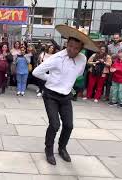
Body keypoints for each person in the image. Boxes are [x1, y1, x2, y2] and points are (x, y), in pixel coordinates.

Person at [32, 24, 99, 166]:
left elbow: (78, 73)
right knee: (55, 124)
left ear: (80, 49)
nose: (72, 50)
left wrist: (66, 83)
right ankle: (49, 150)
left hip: (66, 96)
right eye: (70, 46)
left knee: (68, 125)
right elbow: (36, 72)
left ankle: (62, 148)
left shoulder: (82, 59)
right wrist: (52, 79)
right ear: (66, 44)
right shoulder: (56, 58)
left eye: (76, 48)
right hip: (51, 95)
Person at [105, 33, 122, 101]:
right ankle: (107, 96)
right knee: (109, 81)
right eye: (114, 38)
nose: (115, 39)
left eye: (117, 38)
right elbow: (107, 56)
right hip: (111, 65)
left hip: (120, 65)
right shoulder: (109, 46)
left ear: (119, 38)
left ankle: (117, 97)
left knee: (118, 81)